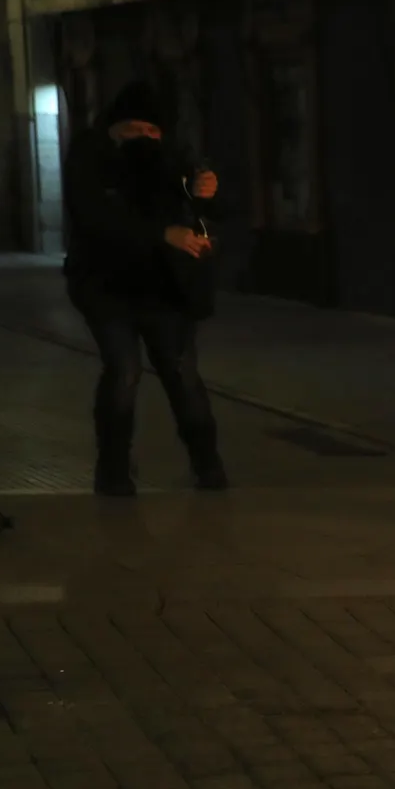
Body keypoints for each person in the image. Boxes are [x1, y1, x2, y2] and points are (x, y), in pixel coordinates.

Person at [62, 80, 226, 497]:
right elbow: (96, 216)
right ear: (115, 127)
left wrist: (204, 193)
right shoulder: (89, 155)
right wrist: (162, 234)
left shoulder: (171, 156)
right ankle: (114, 469)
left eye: (152, 131)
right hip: (105, 284)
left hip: (163, 285)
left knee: (181, 372)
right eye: (134, 130)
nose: (144, 139)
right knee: (124, 370)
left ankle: (208, 466)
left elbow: (200, 203)